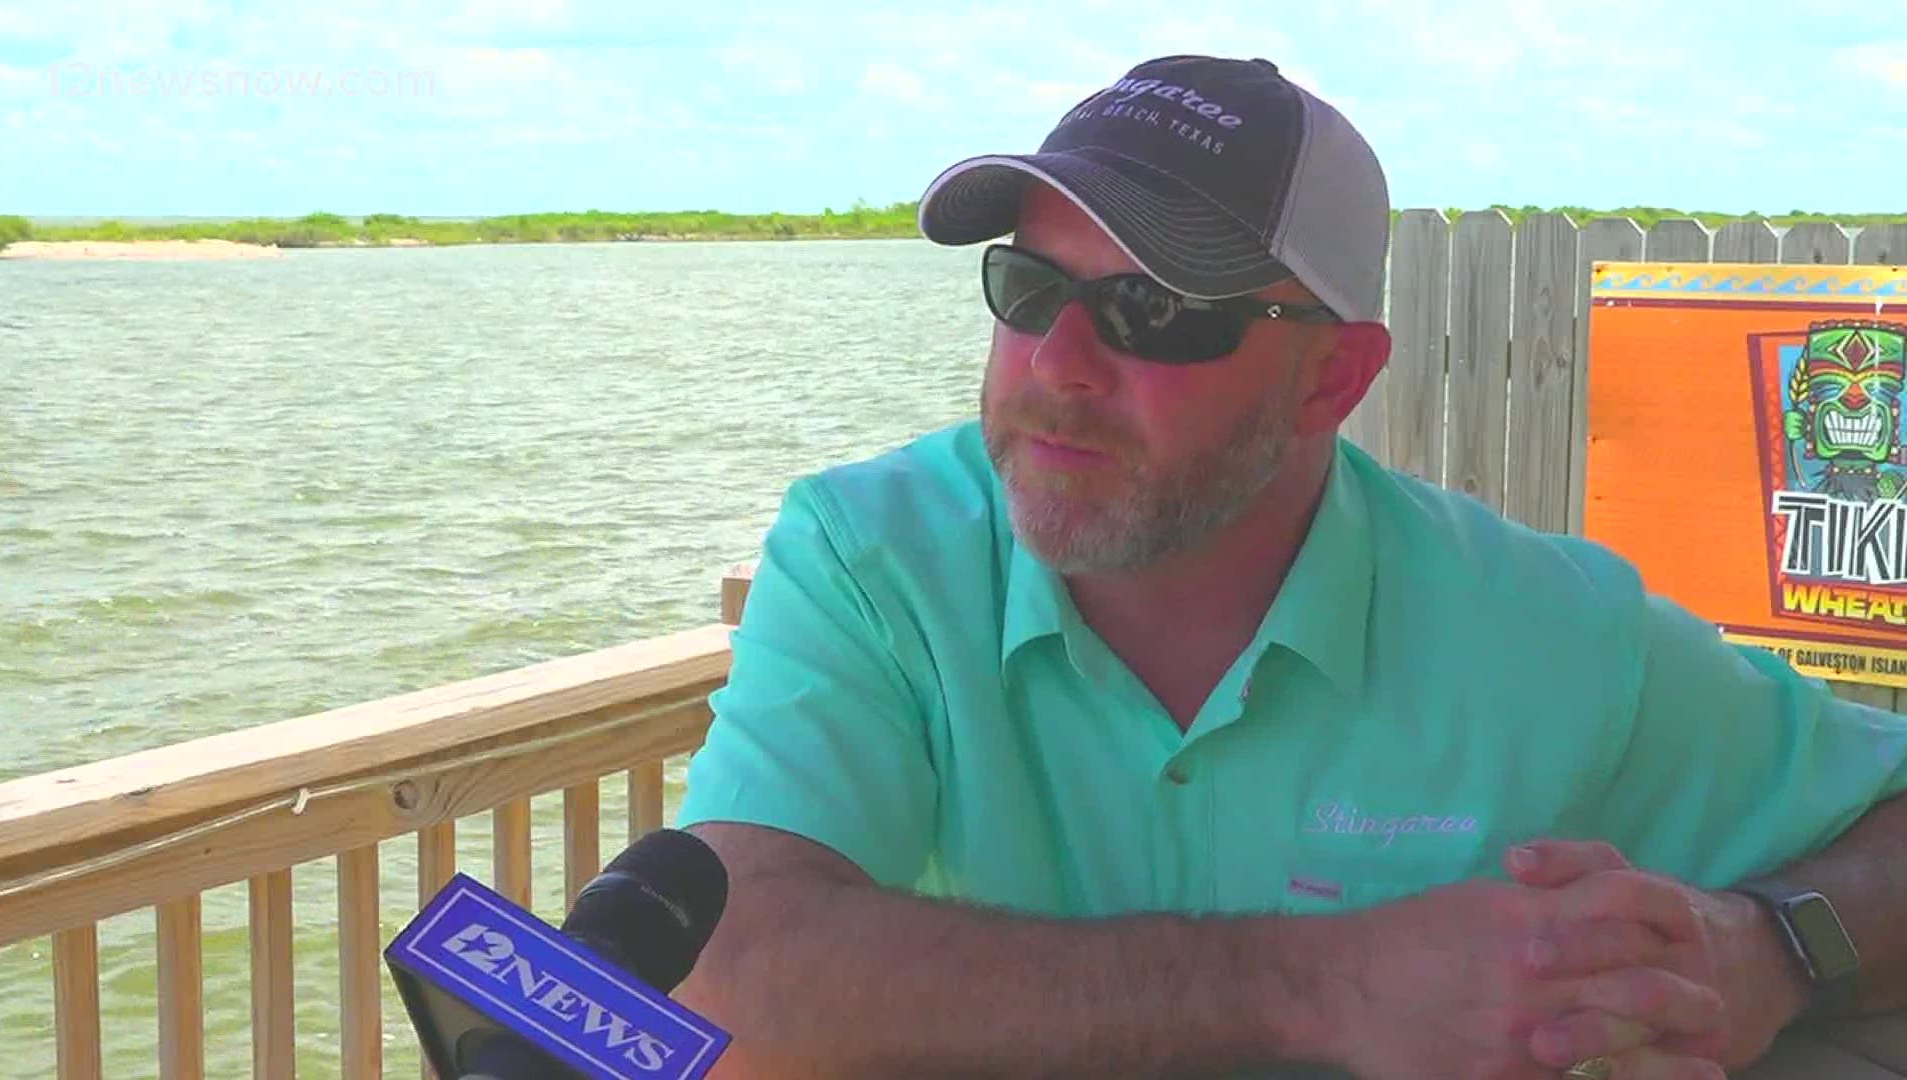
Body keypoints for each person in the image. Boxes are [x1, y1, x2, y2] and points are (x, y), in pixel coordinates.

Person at [670, 54, 1907, 1079]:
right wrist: (1325, 984)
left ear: (1336, 377)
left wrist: (1773, 951)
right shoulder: (873, 562)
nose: (1058, 364)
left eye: (1159, 312)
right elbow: (720, 981)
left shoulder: (1547, 628)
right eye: (1028, 285)